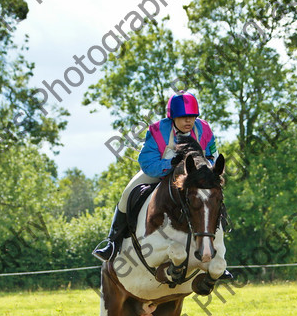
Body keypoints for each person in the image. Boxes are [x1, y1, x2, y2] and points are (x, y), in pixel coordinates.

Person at [93, 93, 229, 276]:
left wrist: (206, 171)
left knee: (210, 199)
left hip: (193, 176)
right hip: (159, 173)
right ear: (173, 117)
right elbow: (147, 162)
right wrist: (170, 164)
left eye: (192, 116)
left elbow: (212, 154)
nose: (188, 121)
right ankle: (112, 242)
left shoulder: (203, 128)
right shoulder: (157, 130)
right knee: (127, 193)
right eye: (183, 117)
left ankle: (218, 253)